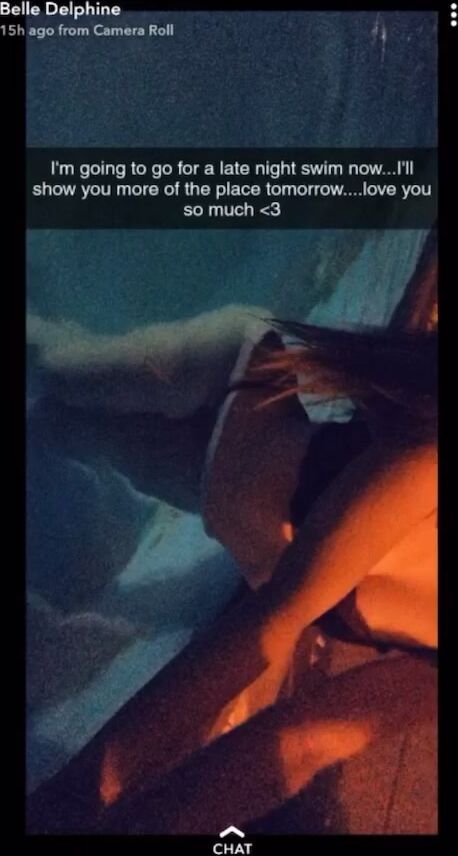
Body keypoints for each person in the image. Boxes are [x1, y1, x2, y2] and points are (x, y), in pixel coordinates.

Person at [26, 232, 438, 834]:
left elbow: (309, 739)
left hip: (214, 488)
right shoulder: (432, 464)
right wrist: (80, 794)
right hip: (236, 381)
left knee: (60, 428)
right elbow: (274, 617)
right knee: (55, 366)